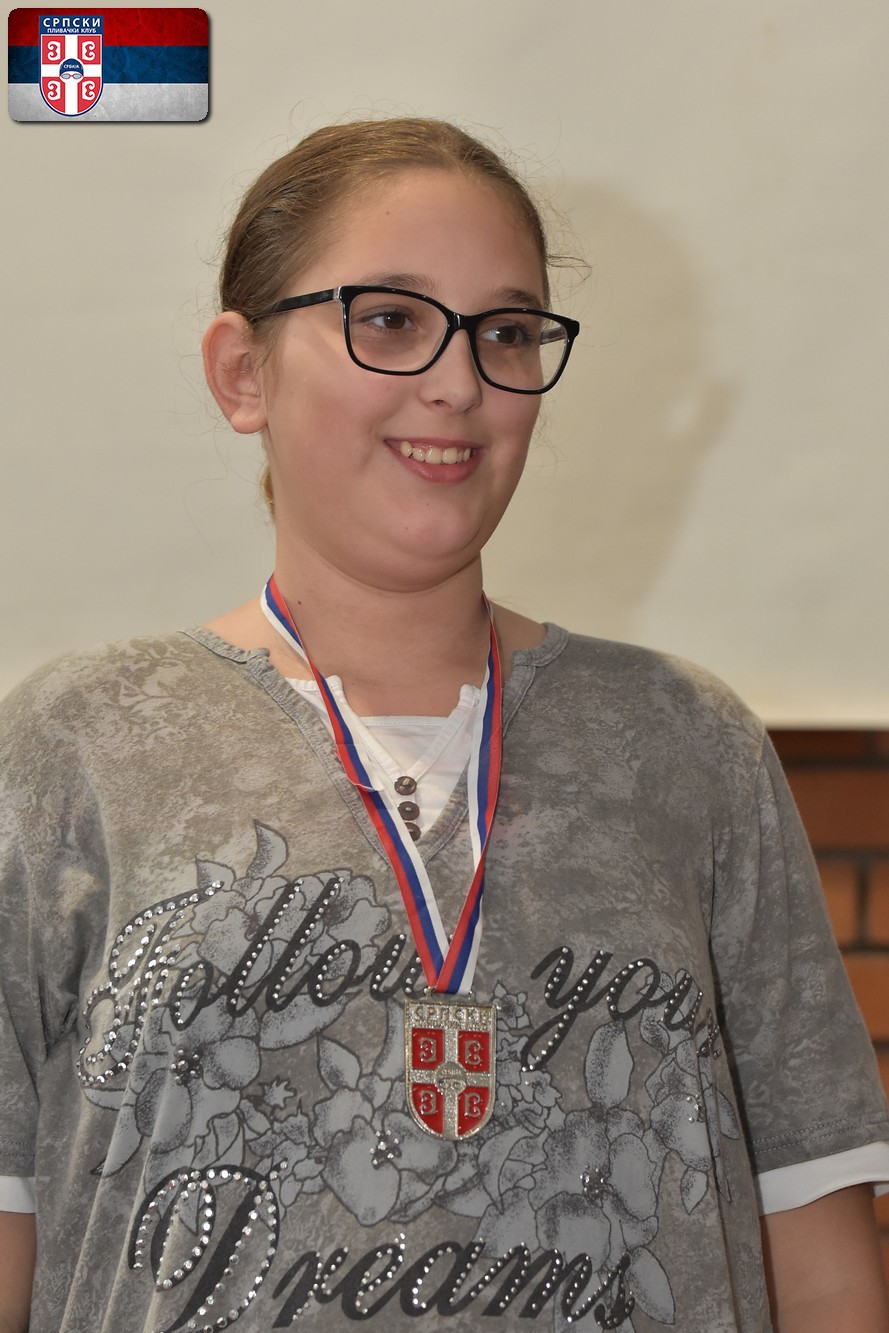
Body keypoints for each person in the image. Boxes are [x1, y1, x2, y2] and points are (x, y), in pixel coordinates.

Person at [1, 117, 887, 1333]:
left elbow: (819, 1255)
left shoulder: (686, 745)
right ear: (242, 371)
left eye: (505, 332)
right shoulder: (79, 745)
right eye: (388, 319)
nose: (459, 382)